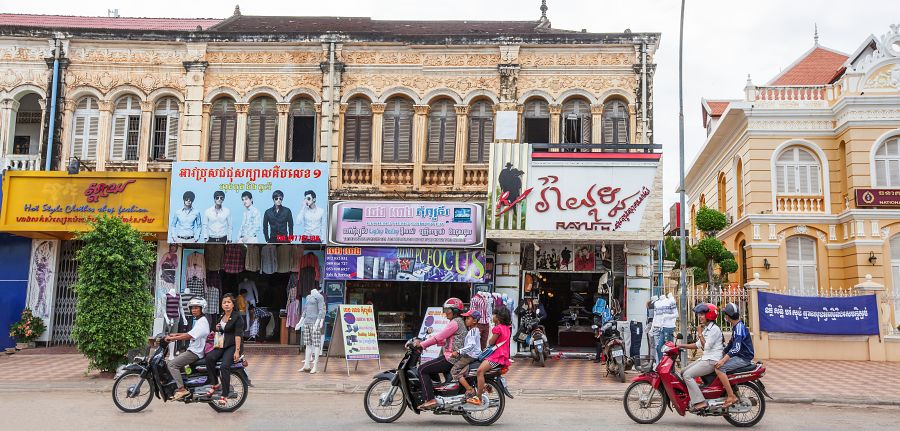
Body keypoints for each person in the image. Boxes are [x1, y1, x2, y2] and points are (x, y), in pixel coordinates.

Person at [413, 298, 467, 410]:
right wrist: (427, 342)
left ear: (455, 311)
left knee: (422, 369)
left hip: (451, 358)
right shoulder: (459, 322)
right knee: (430, 367)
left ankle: (430, 399)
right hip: (454, 356)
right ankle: (437, 392)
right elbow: (445, 340)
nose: (445, 312)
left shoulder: (454, 323)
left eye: (448, 310)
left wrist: (422, 345)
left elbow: (439, 337)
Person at [676, 303, 724, 411]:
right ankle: (691, 396)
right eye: (699, 314)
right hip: (706, 358)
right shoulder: (707, 328)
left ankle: (700, 401)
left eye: (702, 314)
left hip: (712, 361)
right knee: (682, 372)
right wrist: (679, 346)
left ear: (709, 315)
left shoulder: (714, 330)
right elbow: (697, 345)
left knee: (687, 375)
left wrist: (700, 333)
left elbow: (706, 346)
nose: (700, 317)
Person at [164, 297, 210, 401]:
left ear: (202, 309)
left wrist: (173, 338)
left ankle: (181, 389)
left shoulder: (202, 322)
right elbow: (190, 333)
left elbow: (189, 336)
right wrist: (175, 334)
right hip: (193, 350)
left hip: (195, 352)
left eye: (196, 308)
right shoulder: (199, 321)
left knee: (171, 364)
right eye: (192, 308)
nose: (194, 310)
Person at [204, 294, 244, 406]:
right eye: (224, 302)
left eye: (228, 302)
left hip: (232, 346)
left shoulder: (237, 317)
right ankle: (215, 383)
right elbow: (220, 332)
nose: (226, 304)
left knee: (224, 366)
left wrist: (237, 351)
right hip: (221, 344)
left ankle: (225, 394)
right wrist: (217, 328)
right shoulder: (221, 315)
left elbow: (238, 335)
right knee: (209, 358)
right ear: (221, 305)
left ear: (232, 304)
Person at [469, 306, 512, 405]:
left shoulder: (498, 328)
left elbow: (491, 341)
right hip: (502, 356)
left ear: (498, 317)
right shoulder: (507, 328)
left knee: (479, 371)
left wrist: (491, 340)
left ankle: (478, 397)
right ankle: (486, 386)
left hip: (496, 357)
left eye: (494, 315)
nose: (492, 317)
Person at [716, 302, 754, 408]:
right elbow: (731, 344)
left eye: (725, 315)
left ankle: (731, 396)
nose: (725, 317)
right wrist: (722, 353)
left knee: (719, 369)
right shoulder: (737, 326)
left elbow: (736, 348)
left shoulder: (738, 328)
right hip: (740, 356)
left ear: (728, 316)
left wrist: (723, 361)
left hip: (743, 358)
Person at [454, 310, 483, 399]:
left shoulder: (473, 331)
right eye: (465, 318)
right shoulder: (474, 330)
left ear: (474, 321)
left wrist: (459, 351)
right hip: (473, 355)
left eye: (468, 318)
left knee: (455, 371)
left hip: (471, 356)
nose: (465, 320)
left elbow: (471, 346)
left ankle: (469, 389)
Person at [652, 293, 678, 363]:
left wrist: (666, 316)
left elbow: (676, 314)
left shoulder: (671, 301)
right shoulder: (659, 303)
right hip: (662, 327)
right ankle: (662, 364)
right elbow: (656, 316)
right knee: (659, 348)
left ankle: (669, 366)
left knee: (668, 349)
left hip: (669, 327)